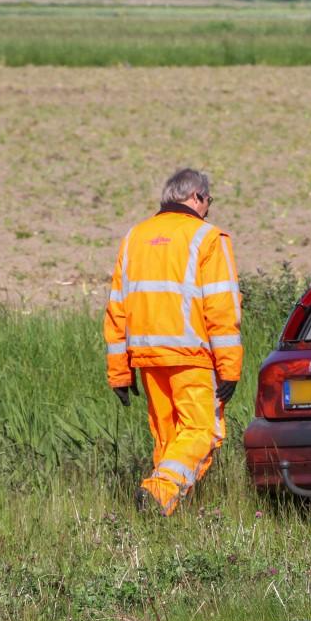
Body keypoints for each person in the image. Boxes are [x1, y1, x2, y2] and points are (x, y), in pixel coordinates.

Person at [103, 169, 242, 516]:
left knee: (169, 438)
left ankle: (164, 513)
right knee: (202, 431)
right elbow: (221, 307)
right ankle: (159, 491)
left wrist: (120, 372)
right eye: (209, 201)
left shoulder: (134, 237)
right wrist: (229, 369)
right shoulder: (209, 237)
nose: (209, 208)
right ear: (196, 197)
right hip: (192, 357)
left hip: (147, 359)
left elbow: (117, 308)